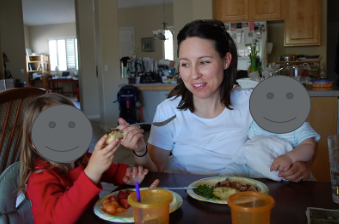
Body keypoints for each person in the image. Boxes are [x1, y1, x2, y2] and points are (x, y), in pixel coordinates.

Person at [117, 19, 315, 182]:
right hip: (186, 200)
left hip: (242, 195)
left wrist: (298, 165)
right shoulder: (168, 111)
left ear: (226, 61)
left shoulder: (253, 103)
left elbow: (301, 139)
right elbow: (154, 173)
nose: (194, 74)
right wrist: (140, 150)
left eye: (204, 62)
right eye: (185, 64)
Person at [18, 93, 148, 224]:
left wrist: (129, 175)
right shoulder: (40, 178)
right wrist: (92, 172)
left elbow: (113, 172)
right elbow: (60, 218)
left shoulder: (84, 160)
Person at [223, 120, 320, 181]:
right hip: (254, 169)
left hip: (287, 174)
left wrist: (290, 157)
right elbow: (249, 148)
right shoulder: (256, 125)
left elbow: (309, 147)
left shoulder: (299, 125)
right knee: (233, 167)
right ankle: (225, 179)